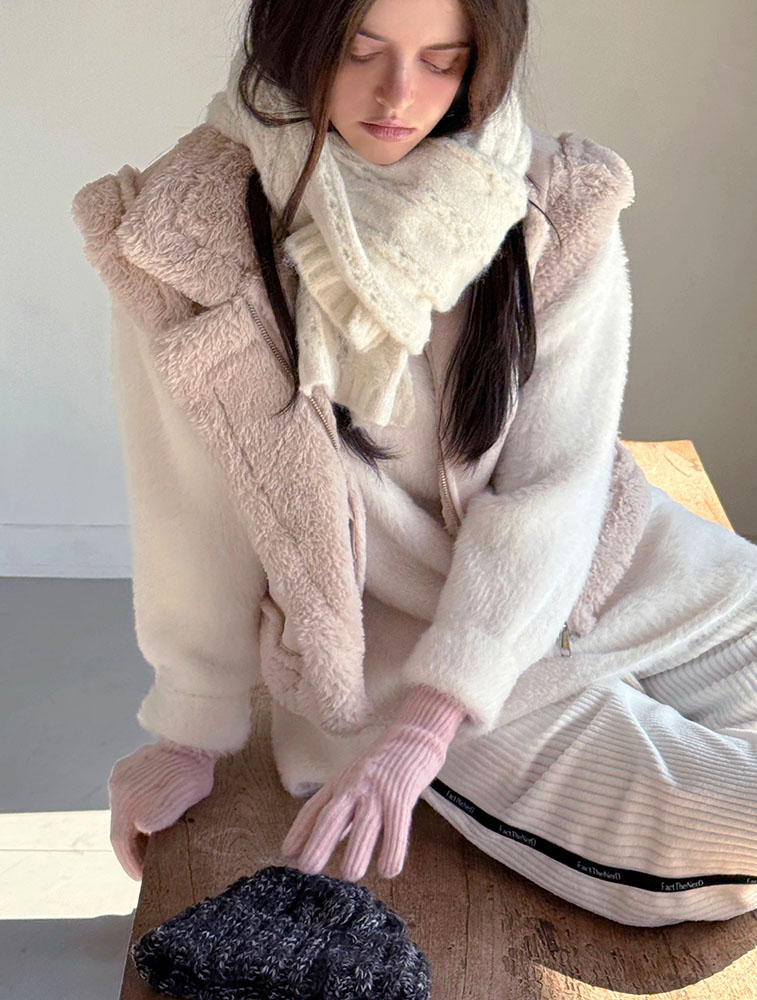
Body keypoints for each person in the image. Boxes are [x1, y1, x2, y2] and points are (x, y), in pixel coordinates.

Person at [72, 0, 757, 928]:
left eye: (442, 59)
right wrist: (191, 728)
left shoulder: (555, 201)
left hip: (599, 562)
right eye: (361, 53)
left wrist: (426, 735)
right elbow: (189, 508)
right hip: (403, 651)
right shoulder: (184, 234)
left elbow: (555, 477)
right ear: (295, 39)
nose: (400, 95)